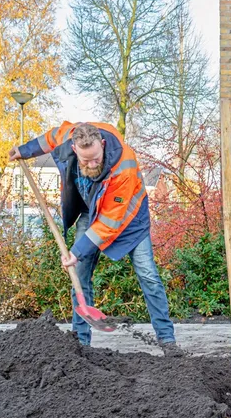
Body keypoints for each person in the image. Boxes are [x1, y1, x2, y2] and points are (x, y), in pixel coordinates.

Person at [9, 122, 183, 356]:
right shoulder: (69, 134)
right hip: (91, 211)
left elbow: (109, 223)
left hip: (130, 218)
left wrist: (77, 250)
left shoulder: (124, 166)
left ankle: (167, 340)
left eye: (95, 159)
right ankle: (80, 344)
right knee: (79, 273)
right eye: (85, 160)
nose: (91, 165)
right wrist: (25, 150)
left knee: (148, 274)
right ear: (74, 146)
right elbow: (49, 138)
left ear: (102, 145)